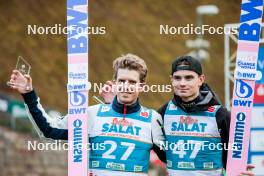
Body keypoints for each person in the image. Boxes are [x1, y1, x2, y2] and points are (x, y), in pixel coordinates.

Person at [9, 53, 165, 176]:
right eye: (122, 80)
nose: (126, 86)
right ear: (115, 82)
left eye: (132, 82)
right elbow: (48, 129)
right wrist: (28, 93)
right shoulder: (93, 114)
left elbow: (172, 158)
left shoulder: (152, 119)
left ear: (142, 87)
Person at [99, 55, 255, 176]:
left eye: (189, 78)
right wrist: (111, 105)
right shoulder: (162, 113)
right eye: (177, 78)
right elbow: (131, 129)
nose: (182, 83)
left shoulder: (219, 114)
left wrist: (239, 169)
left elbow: (232, 158)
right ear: (171, 80)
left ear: (201, 80)